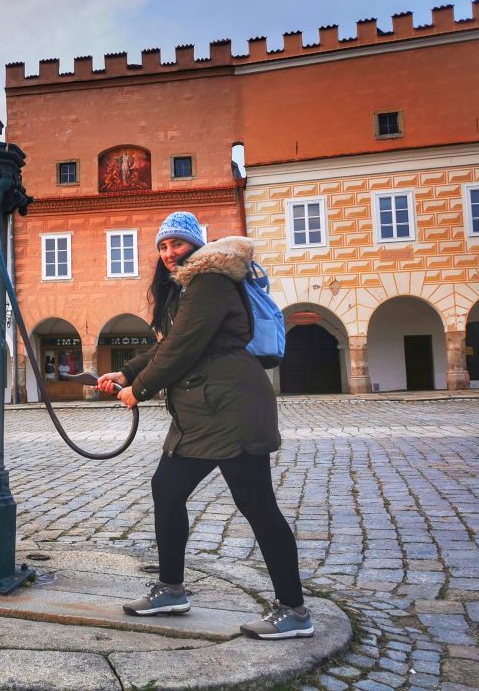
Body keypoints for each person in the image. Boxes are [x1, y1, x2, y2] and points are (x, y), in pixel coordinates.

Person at [96, 211, 313, 640]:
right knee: (168, 489)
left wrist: (138, 389)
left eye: (177, 243)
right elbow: (169, 343)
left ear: (196, 244)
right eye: (162, 246)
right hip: (202, 410)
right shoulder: (188, 289)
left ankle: (293, 610)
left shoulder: (211, 281)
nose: (169, 253)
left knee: (257, 505)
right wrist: (126, 372)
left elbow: (183, 346)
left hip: (231, 408)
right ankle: (171, 590)